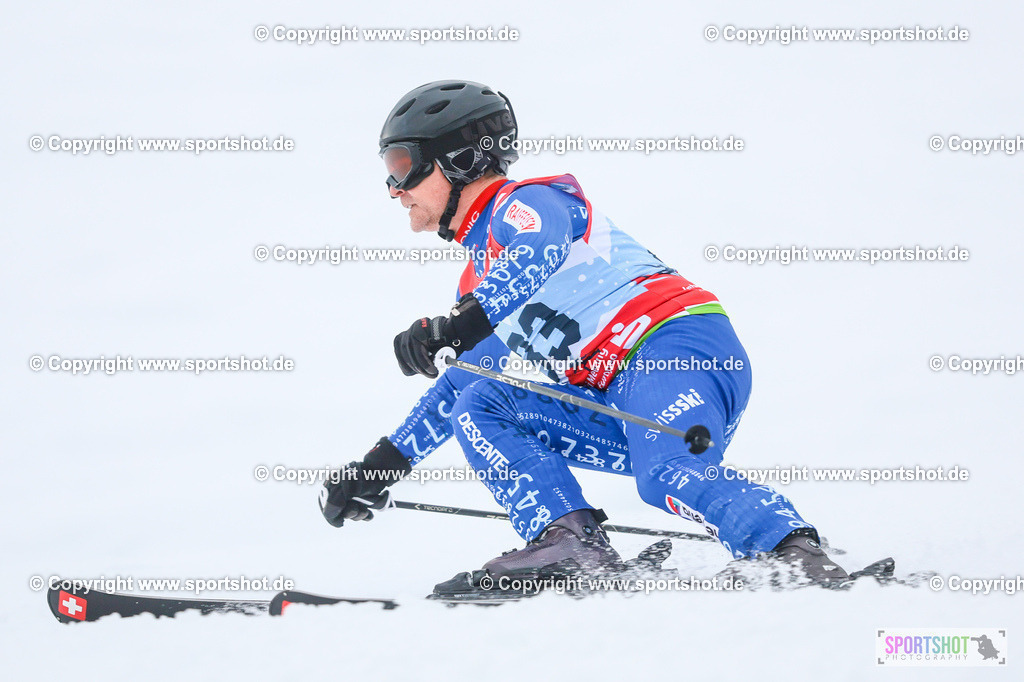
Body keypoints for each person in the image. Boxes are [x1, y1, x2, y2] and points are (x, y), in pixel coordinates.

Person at [319, 80, 850, 590]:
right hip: (619, 396)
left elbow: (537, 248)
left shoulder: (526, 203)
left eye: (402, 166)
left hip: (671, 348)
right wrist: (380, 467)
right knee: (482, 402)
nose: (394, 189)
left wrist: (454, 326)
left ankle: (791, 552)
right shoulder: (481, 284)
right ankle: (569, 542)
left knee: (664, 475)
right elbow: (462, 381)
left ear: (460, 159)